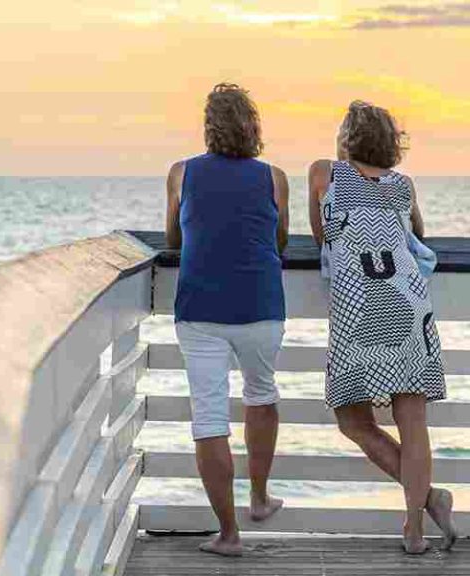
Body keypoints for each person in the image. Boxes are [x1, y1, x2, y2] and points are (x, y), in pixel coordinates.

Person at [307, 101, 456, 554]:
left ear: (346, 138)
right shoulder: (403, 185)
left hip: (358, 308)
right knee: (413, 422)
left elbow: (322, 235)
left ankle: (430, 500)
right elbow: (418, 235)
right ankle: (415, 525)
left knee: (352, 420)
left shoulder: (324, 172)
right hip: (409, 304)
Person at [165, 83, 290, 557]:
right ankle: (259, 498)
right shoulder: (274, 177)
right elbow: (278, 242)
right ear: (252, 127)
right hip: (260, 304)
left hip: (200, 308)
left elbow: (173, 238)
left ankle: (229, 533)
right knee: (262, 393)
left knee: (210, 418)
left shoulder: (181, 173)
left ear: (208, 126)